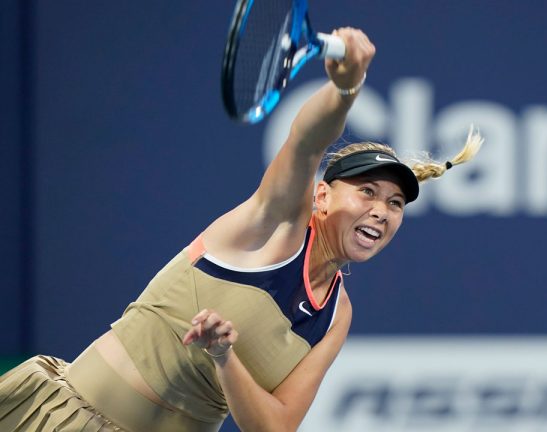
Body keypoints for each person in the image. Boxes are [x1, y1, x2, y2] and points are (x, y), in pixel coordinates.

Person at [0, 27, 482, 432]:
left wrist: (225, 357)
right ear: (321, 196)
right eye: (368, 193)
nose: (382, 210)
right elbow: (307, 141)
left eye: (395, 203)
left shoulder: (335, 316)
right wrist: (344, 90)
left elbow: (274, 426)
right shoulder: (271, 226)